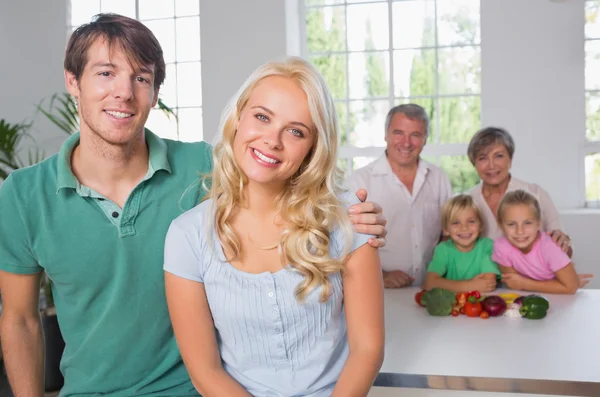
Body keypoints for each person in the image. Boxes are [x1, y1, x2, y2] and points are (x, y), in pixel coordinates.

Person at [0, 14, 387, 396]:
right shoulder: (22, 194)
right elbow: (19, 320)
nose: (123, 92)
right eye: (105, 73)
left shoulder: (205, 167)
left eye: (141, 78)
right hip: (90, 391)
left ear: (154, 94)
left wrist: (352, 217)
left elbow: (276, 179)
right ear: (72, 80)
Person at [163, 57, 385, 397]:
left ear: (313, 148)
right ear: (238, 118)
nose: (272, 140)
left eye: (296, 131)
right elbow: (205, 371)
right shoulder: (187, 236)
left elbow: (367, 350)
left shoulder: (351, 222)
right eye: (262, 117)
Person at [347, 104, 452, 288]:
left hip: (430, 291)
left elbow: (448, 235)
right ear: (386, 135)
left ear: (425, 139)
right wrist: (383, 274)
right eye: (398, 133)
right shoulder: (359, 181)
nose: (406, 143)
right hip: (379, 290)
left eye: (415, 135)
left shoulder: (438, 178)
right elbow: (345, 242)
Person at [467, 126, 572, 255]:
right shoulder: (468, 201)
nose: (491, 165)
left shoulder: (536, 193)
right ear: (474, 163)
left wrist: (563, 242)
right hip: (484, 274)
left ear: (510, 160)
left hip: (532, 274)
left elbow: (565, 251)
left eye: (499, 156)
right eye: (483, 158)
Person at [492, 190, 592, 294]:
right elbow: (514, 284)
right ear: (501, 224)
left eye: (528, 223)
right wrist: (557, 284)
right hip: (531, 299)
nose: (520, 231)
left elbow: (571, 288)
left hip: (562, 301)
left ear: (538, 223)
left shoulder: (550, 246)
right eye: (511, 224)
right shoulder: (501, 247)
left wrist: (525, 284)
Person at [423, 195, 500, 293]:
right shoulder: (443, 249)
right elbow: (429, 283)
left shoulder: (487, 246)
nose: (464, 228)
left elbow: (488, 284)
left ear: (481, 226)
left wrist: (444, 284)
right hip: (451, 305)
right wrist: (469, 286)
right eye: (456, 223)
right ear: (446, 230)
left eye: (471, 221)